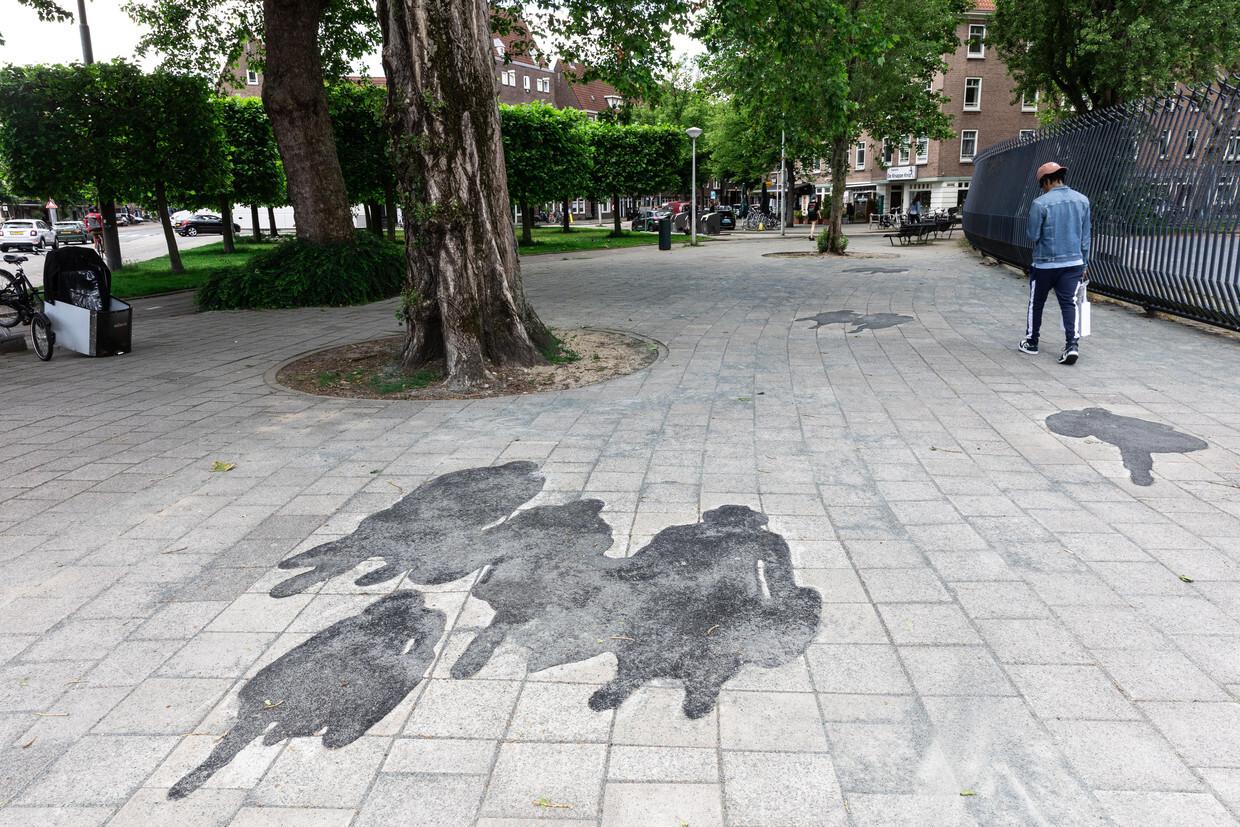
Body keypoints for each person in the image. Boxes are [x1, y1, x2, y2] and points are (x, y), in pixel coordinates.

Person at [1020, 161, 1091, 365]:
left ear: (1046, 181)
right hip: (1073, 263)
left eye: (1042, 185)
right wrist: (1084, 264)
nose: (1042, 189)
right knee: (1069, 303)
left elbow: (1033, 235)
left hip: (1044, 264)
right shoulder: (1083, 201)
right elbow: (1086, 238)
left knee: (1037, 302)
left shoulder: (1040, 204)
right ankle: (1072, 345)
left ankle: (1032, 342)